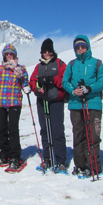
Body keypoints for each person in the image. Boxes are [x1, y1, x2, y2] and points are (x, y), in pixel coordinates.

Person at [62, 36, 103, 176]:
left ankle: (93, 165)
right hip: (76, 104)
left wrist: (90, 88)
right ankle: (80, 165)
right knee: (78, 134)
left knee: (93, 135)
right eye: (78, 47)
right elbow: (65, 82)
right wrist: (72, 90)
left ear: (87, 47)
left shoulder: (97, 63)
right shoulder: (71, 64)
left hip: (93, 103)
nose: (80, 49)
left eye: (83, 47)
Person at [0, 44, 29, 171]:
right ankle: (4, 155)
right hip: (0, 103)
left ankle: (15, 157)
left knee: (13, 129)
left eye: (11, 54)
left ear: (15, 55)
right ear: (4, 55)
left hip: (15, 102)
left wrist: (26, 87)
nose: (9, 56)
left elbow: (25, 83)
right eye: (7, 54)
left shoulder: (21, 69)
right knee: (2, 129)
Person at [29, 38, 68, 172]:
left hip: (56, 100)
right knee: (45, 130)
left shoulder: (60, 64)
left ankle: (61, 160)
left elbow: (66, 81)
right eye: (45, 51)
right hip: (42, 101)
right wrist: (37, 89)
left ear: (53, 51)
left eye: (49, 51)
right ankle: (47, 158)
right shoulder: (38, 67)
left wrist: (53, 80)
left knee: (57, 130)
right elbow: (32, 81)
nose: (47, 53)